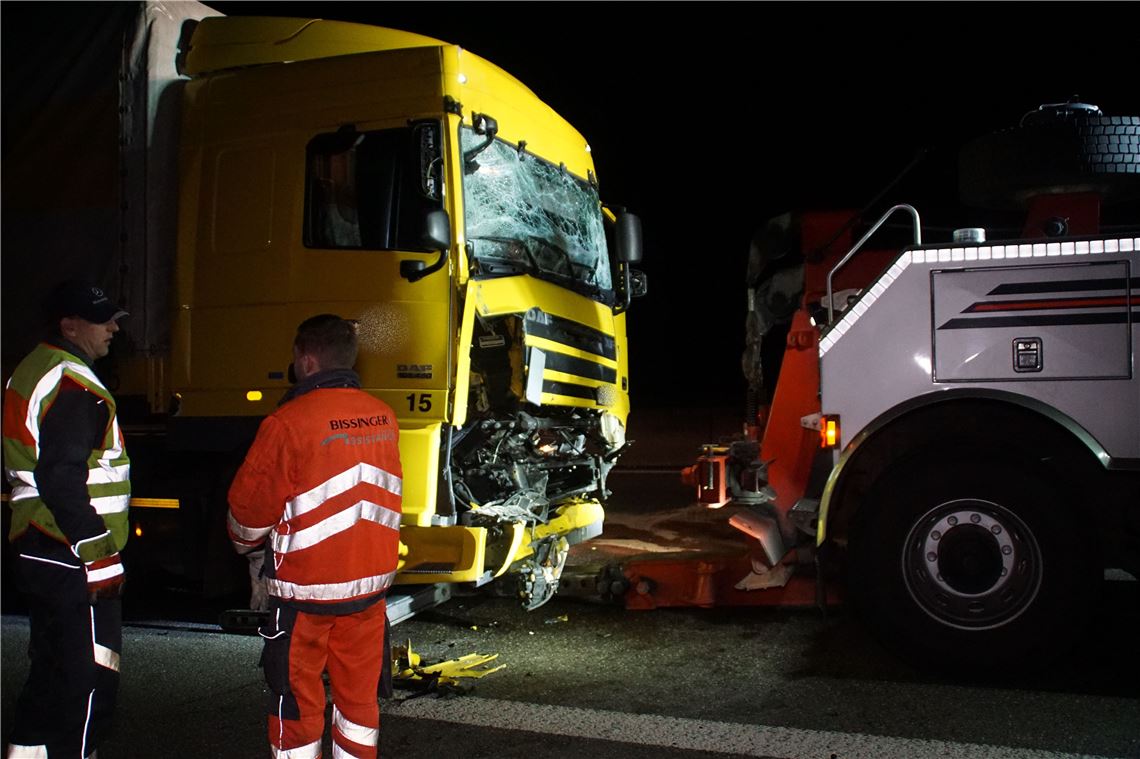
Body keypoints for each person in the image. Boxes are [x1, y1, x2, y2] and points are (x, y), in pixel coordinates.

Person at [227, 314, 402, 759]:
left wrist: (245, 546)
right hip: (369, 592)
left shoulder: (288, 422)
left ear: (305, 361)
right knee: (359, 702)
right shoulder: (383, 416)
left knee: (297, 703)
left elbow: (248, 512)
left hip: (305, 595)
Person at [2, 280, 132, 758]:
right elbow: (61, 475)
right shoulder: (73, 381)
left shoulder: (34, 368)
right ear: (69, 325)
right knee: (89, 679)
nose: (113, 328)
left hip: (37, 539)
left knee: (51, 673)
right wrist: (98, 553)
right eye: (102, 320)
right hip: (70, 550)